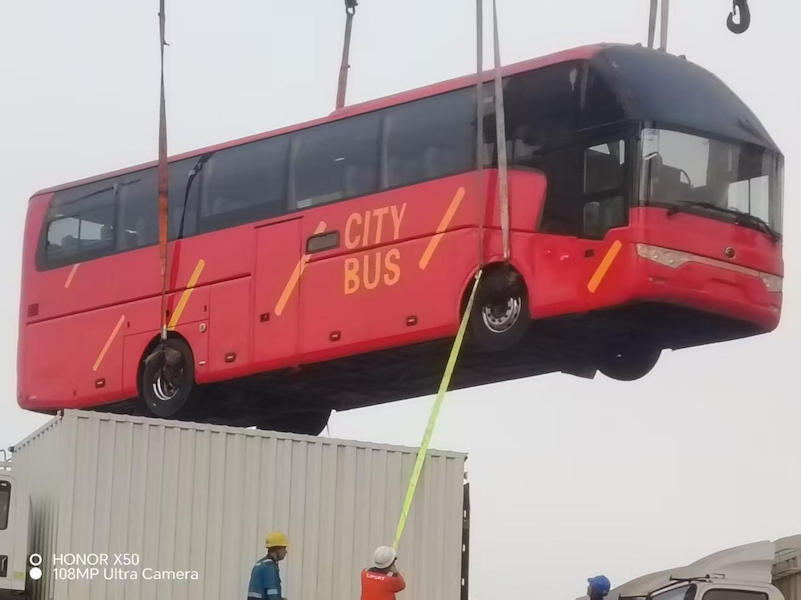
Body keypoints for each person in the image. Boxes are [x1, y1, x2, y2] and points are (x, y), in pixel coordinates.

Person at [247, 531, 289, 600]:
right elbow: (272, 596)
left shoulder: (259, 564)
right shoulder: (269, 567)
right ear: (276, 549)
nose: (285, 551)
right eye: (284, 548)